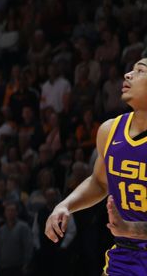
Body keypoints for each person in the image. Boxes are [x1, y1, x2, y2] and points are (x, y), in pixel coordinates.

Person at [45, 58, 147, 274]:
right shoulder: (110, 130)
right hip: (124, 254)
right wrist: (65, 205)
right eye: (131, 69)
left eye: (141, 71)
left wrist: (133, 228)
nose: (128, 74)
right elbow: (100, 183)